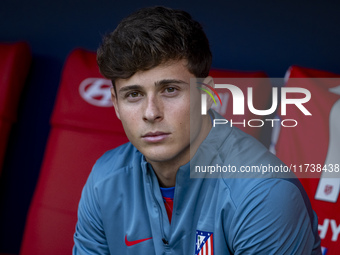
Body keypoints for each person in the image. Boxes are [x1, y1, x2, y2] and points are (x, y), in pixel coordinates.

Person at [73, 6, 321, 254]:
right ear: (116, 105)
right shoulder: (103, 180)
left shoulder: (264, 193)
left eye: (170, 89)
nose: (151, 112)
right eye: (134, 94)